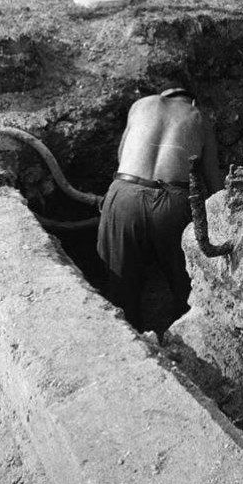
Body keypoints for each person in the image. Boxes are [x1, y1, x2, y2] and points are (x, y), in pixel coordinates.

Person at [97, 84, 222, 330]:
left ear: (161, 97)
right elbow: (213, 181)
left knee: (120, 283)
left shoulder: (141, 105)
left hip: (125, 195)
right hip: (174, 203)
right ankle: (184, 335)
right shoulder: (198, 117)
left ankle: (129, 338)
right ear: (192, 102)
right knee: (186, 280)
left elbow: (122, 156)